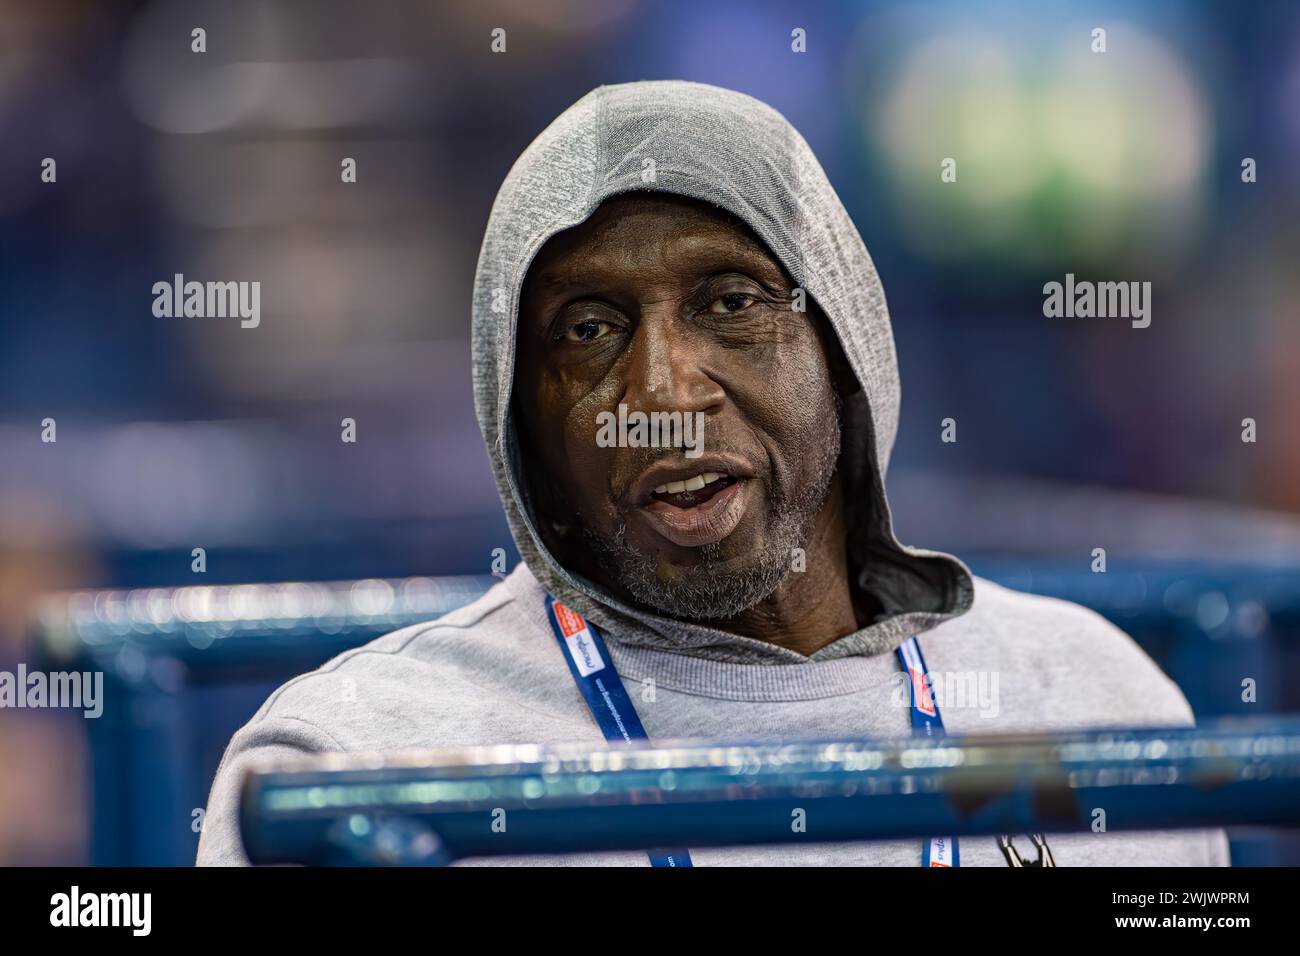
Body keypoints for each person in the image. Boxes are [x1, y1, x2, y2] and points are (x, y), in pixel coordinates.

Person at [197, 80, 1228, 866]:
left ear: (843, 346)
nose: (661, 392)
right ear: (521, 419)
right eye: (587, 328)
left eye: (730, 302)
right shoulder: (348, 765)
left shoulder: (1099, 703)